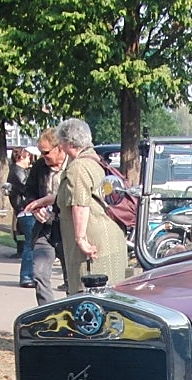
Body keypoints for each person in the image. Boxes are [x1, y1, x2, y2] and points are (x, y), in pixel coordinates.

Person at [54, 117, 129, 291]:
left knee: (90, 298)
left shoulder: (78, 167)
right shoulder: (95, 161)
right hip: (110, 239)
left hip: (93, 245)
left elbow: (80, 203)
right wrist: (46, 200)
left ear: (68, 142)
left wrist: (80, 239)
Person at [21, 128, 68, 302]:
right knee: (39, 273)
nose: (43, 156)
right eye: (41, 152)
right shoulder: (40, 166)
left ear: (60, 148)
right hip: (44, 228)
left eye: (46, 152)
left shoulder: (73, 166)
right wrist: (35, 207)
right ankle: (48, 316)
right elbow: (29, 191)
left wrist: (47, 201)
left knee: (72, 279)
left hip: (67, 228)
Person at [7, 146, 35, 288]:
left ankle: (30, 274)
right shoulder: (17, 172)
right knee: (30, 244)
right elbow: (27, 187)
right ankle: (27, 275)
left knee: (31, 243)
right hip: (26, 210)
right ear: (21, 157)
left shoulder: (18, 171)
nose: (30, 159)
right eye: (28, 156)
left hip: (24, 210)